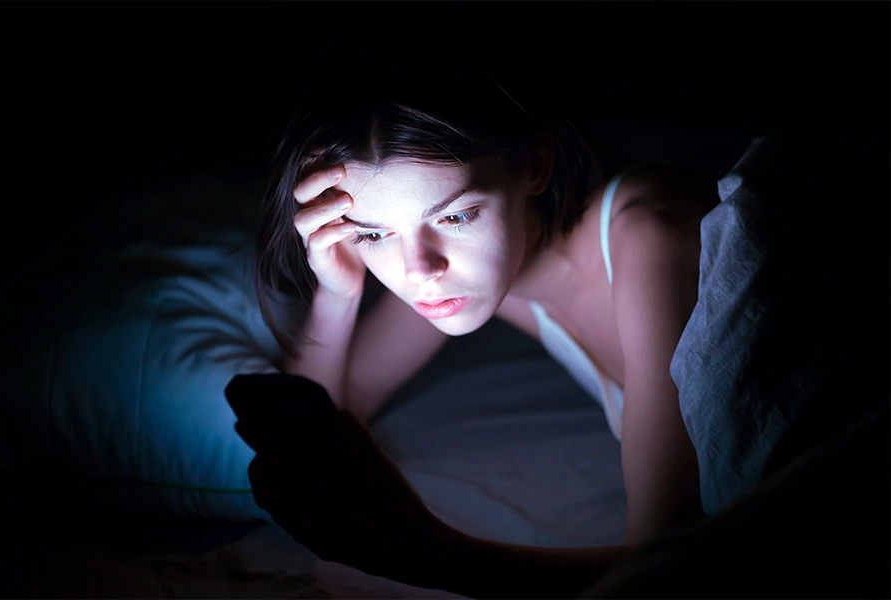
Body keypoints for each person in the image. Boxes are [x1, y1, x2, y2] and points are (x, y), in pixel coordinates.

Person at [233, 61, 726, 598]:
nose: (419, 270)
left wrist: (424, 551)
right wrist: (338, 294)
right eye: (374, 235)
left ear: (535, 165)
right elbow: (325, 417)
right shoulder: (467, 279)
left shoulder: (649, 234)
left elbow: (661, 570)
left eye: (455, 217)